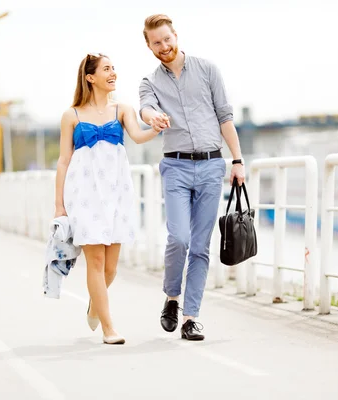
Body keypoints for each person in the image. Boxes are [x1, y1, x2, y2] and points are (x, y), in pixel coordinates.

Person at [139, 14, 246, 341]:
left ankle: (190, 317)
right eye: (156, 42)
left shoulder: (208, 70)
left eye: (167, 39)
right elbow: (144, 108)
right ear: (148, 45)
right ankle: (172, 297)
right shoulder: (150, 82)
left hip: (213, 166)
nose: (163, 47)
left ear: (175, 35)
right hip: (176, 167)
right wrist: (153, 117)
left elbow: (225, 117)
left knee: (200, 246)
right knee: (179, 238)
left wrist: (238, 160)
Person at [54, 53, 168, 345]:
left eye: (114, 68)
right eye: (107, 69)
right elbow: (64, 161)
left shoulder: (123, 109)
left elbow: (138, 136)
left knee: (110, 268)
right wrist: (59, 204)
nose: (113, 73)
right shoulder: (71, 115)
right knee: (95, 260)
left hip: (117, 190)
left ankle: (95, 303)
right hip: (84, 192)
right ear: (90, 77)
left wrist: (155, 128)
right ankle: (108, 328)